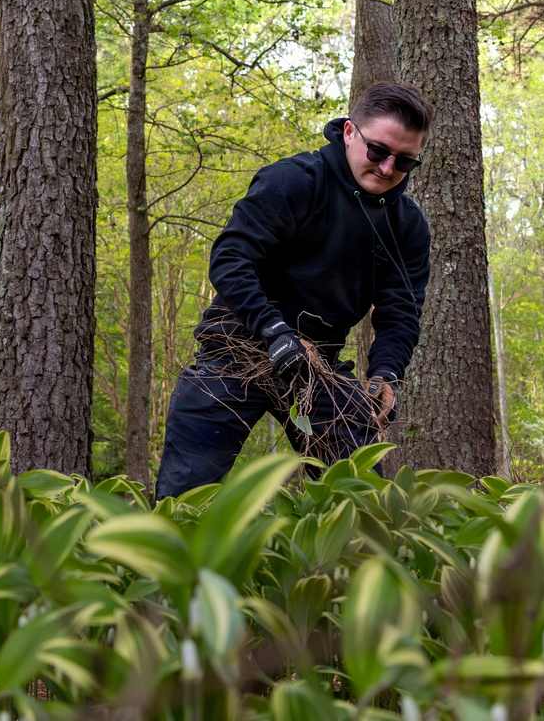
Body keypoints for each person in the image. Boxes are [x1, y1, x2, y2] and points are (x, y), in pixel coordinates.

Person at [154, 81, 432, 498]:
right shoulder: (294, 181)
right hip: (238, 346)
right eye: (378, 151)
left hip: (317, 366)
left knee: (359, 499)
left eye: (405, 162)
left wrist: (386, 373)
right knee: (186, 493)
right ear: (350, 133)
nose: (388, 168)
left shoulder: (408, 226)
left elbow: (401, 311)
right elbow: (231, 259)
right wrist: (274, 331)